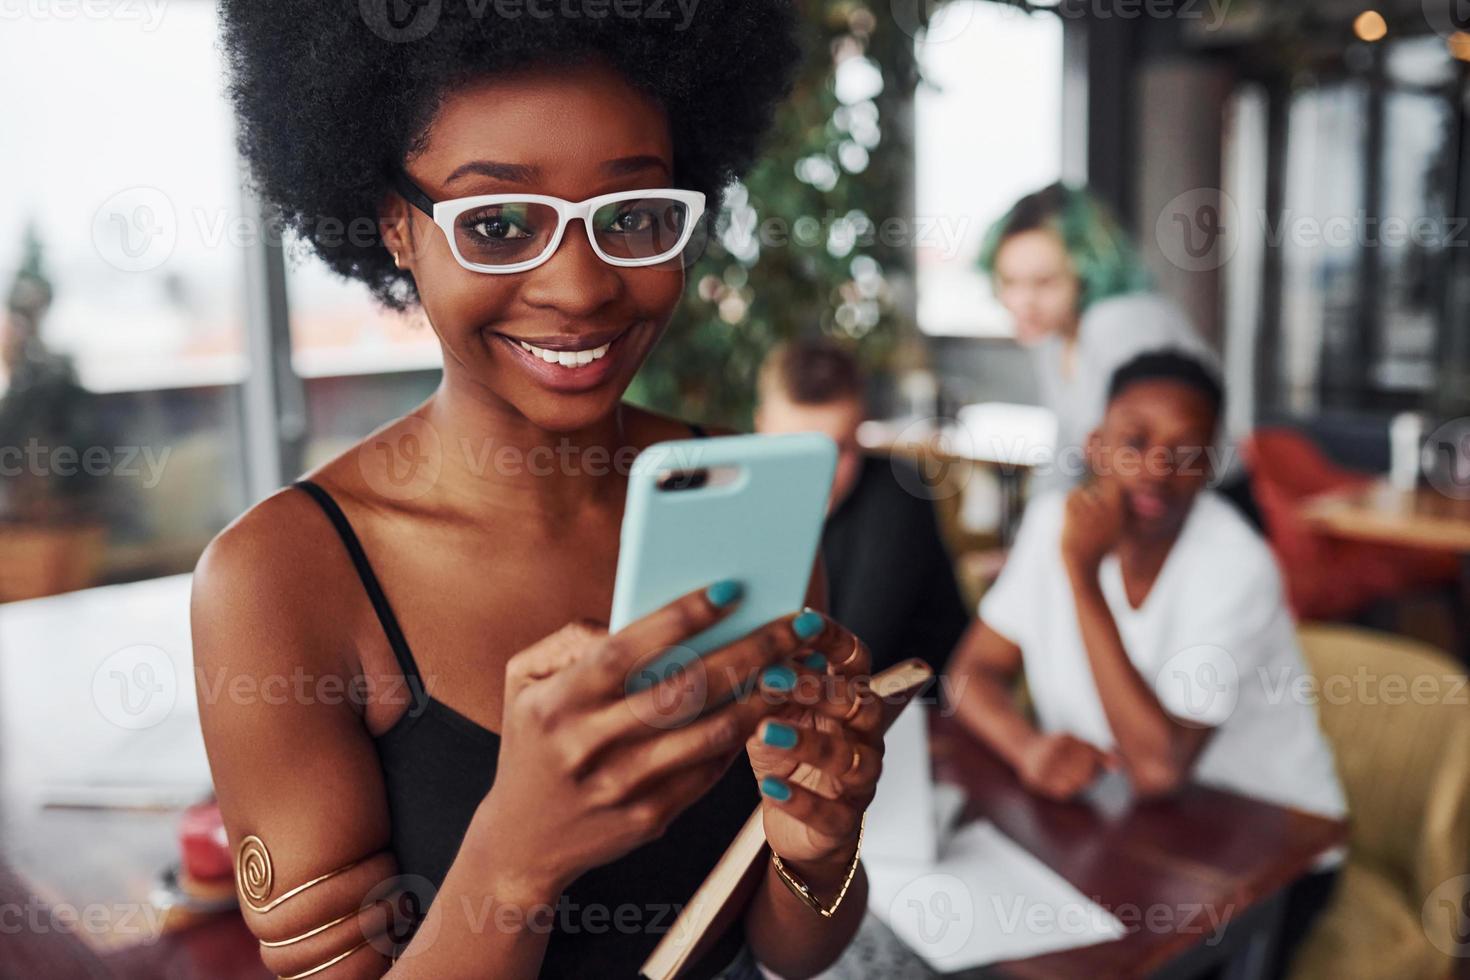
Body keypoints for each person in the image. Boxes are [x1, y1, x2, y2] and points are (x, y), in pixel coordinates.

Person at [193, 7, 885, 979]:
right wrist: (517, 856)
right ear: (396, 227)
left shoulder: (743, 494)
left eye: (634, 216)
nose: (580, 285)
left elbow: (790, 944)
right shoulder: (280, 579)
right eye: (501, 224)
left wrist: (821, 842)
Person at [948, 350, 1344, 976]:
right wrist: (1029, 750)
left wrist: (1081, 578)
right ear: (1096, 445)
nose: (1158, 469)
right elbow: (970, 674)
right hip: (1120, 821)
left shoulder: (1235, 565)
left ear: (1211, 466)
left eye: (1187, 452)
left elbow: (1159, 768)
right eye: (1135, 441)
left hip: (1267, 843)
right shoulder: (1055, 521)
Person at [978, 183, 1261, 529]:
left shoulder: (1119, 322)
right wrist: (1030, 549)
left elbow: (1152, 460)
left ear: (1087, 272)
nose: (1022, 302)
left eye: (1044, 283)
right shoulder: (1054, 335)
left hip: (1202, 514)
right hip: (1144, 511)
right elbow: (1063, 455)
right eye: (1009, 282)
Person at [754, 338, 969, 680]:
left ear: (861, 430)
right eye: (796, 450)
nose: (817, 474)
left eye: (838, 449)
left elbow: (853, 655)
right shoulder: (747, 499)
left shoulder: (898, 499)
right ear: (760, 427)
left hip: (915, 710)